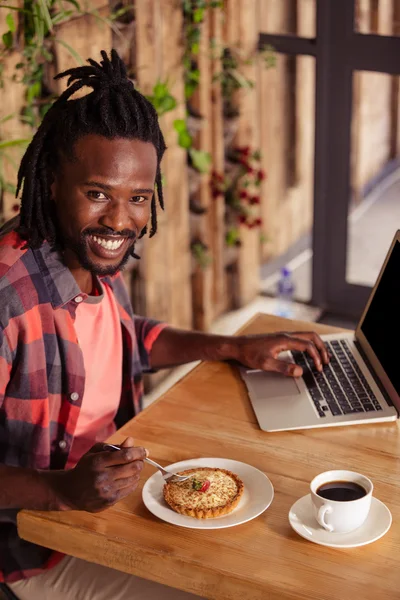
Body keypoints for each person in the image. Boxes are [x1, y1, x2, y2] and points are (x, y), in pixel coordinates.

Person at [0, 49, 329, 600]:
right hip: (36, 548)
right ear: (53, 182)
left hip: (113, 499)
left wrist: (233, 345)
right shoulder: (9, 296)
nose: (120, 220)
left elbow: (123, 339)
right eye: (98, 193)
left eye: (138, 199)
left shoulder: (92, 255)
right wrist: (63, 489)